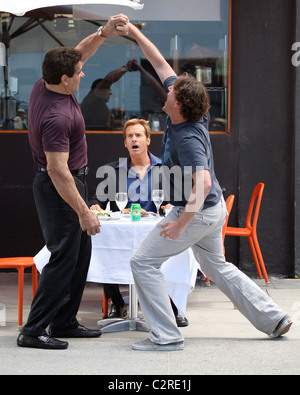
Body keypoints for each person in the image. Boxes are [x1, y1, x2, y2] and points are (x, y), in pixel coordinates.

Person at [115, 21, 293, 351]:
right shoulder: (186, 114)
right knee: (217, 267)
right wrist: (135, 34)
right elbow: (160, 63)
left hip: (196, 212)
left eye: (170, 92)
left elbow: (204, 181)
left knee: (143, 263)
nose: (165, 91)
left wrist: (181, 222)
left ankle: (166, 336)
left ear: (179, 103)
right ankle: (274, 317)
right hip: (209, 211)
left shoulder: (187, 137)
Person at [17, 14, 129, 350]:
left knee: (81, 256)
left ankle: (64, 322)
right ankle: (34, 330)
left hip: (69, 184)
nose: (83, 75)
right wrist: (83, 211)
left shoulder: (45, 84)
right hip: (58, 188)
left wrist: (103, 32)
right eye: (78, 74)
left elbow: (80, 52)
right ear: (65, 79)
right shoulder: (56, 116)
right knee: (63, 257)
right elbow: (57, 170)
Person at [90, 118, 188, 326]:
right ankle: (117, 303)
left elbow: (179, 200)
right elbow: (96, 199)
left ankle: (172, 305)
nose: (134, 140)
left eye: (138, 135)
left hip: (155, 231)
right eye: (130, 136)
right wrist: (95, 206)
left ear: (148, 140)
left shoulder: (166, 169)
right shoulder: (113, 170)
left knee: (174, 253)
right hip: (122, 230)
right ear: (125, 143)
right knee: (103, 246)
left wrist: (168, 207)